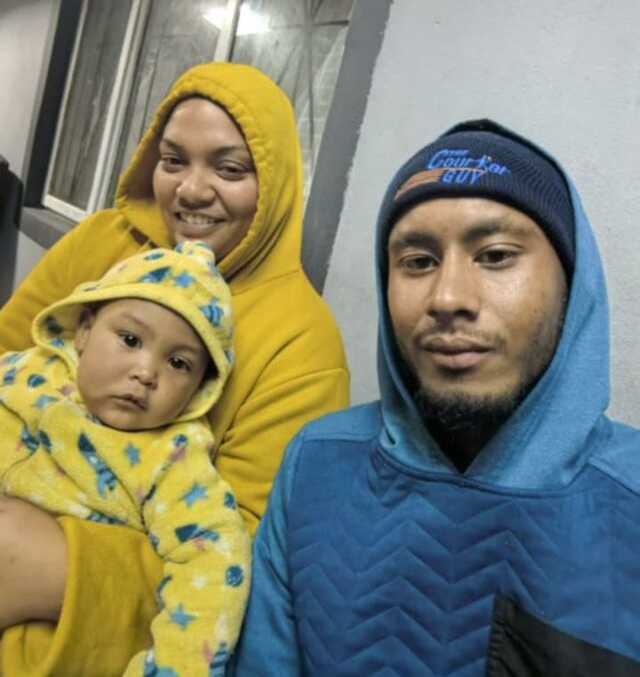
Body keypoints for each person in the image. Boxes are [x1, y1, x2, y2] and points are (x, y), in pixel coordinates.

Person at [232, 120, 640, 676]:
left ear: (571, 280)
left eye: (495, 255)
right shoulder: (316, 465)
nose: (447, 298)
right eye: (418, 262)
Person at [0, 62, 348, 674]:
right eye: (173, 160)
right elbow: (11, 346)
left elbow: (243, 554)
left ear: (275, 184)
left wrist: (49, 564)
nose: (191, 190)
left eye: (229, 169)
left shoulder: (303, 344)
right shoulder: (102, 241)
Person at [0, 240, 250, 676]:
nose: (146, 373)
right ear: (84, 330)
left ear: (202, 387)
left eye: (178, 363)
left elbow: (213, 564)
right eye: (130, 340)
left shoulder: (173, 460)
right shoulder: (25, 372)